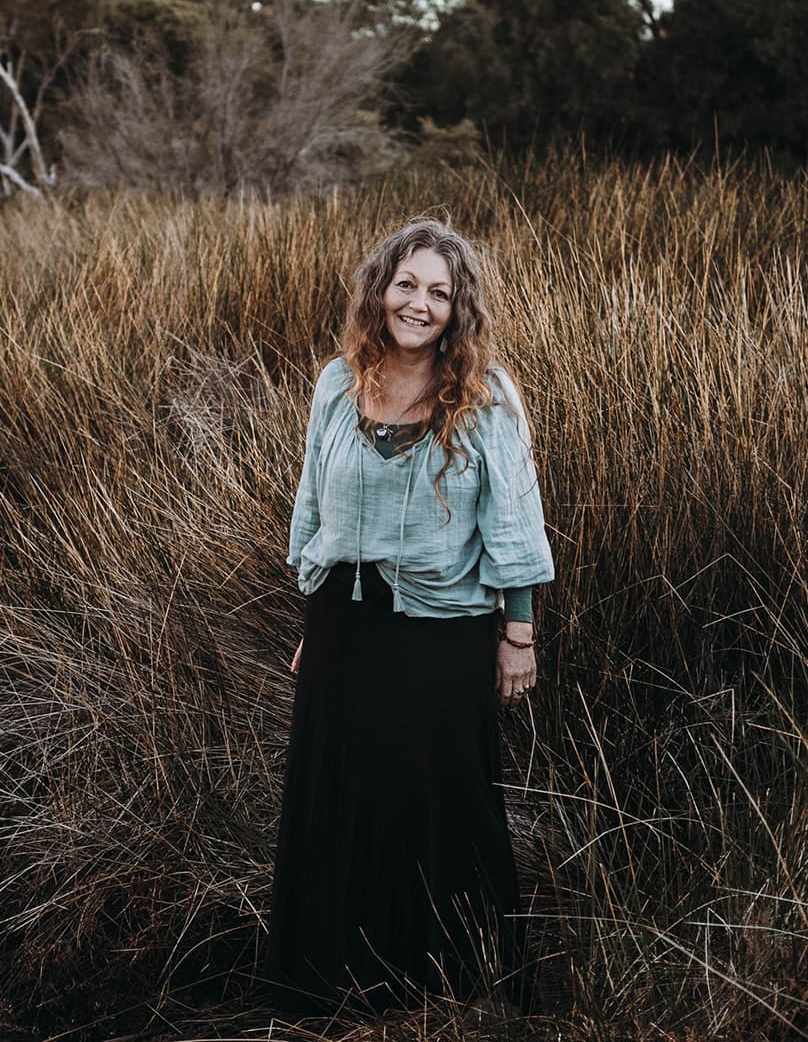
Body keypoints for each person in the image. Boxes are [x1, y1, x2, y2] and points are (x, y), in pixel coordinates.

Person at [261, 217, 555, 1016]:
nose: (419, 304)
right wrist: (309, 627)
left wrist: (517, 635)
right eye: (406, 285)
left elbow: (514, 521)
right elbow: (315, 511)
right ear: (379, 292)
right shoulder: (335, 383)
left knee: (441, 806)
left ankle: (453, 996)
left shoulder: (487, 396)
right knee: (338, 801)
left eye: (438, 291)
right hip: (341, 628)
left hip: (442, 633)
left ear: (459, 308)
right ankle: (332, 993)